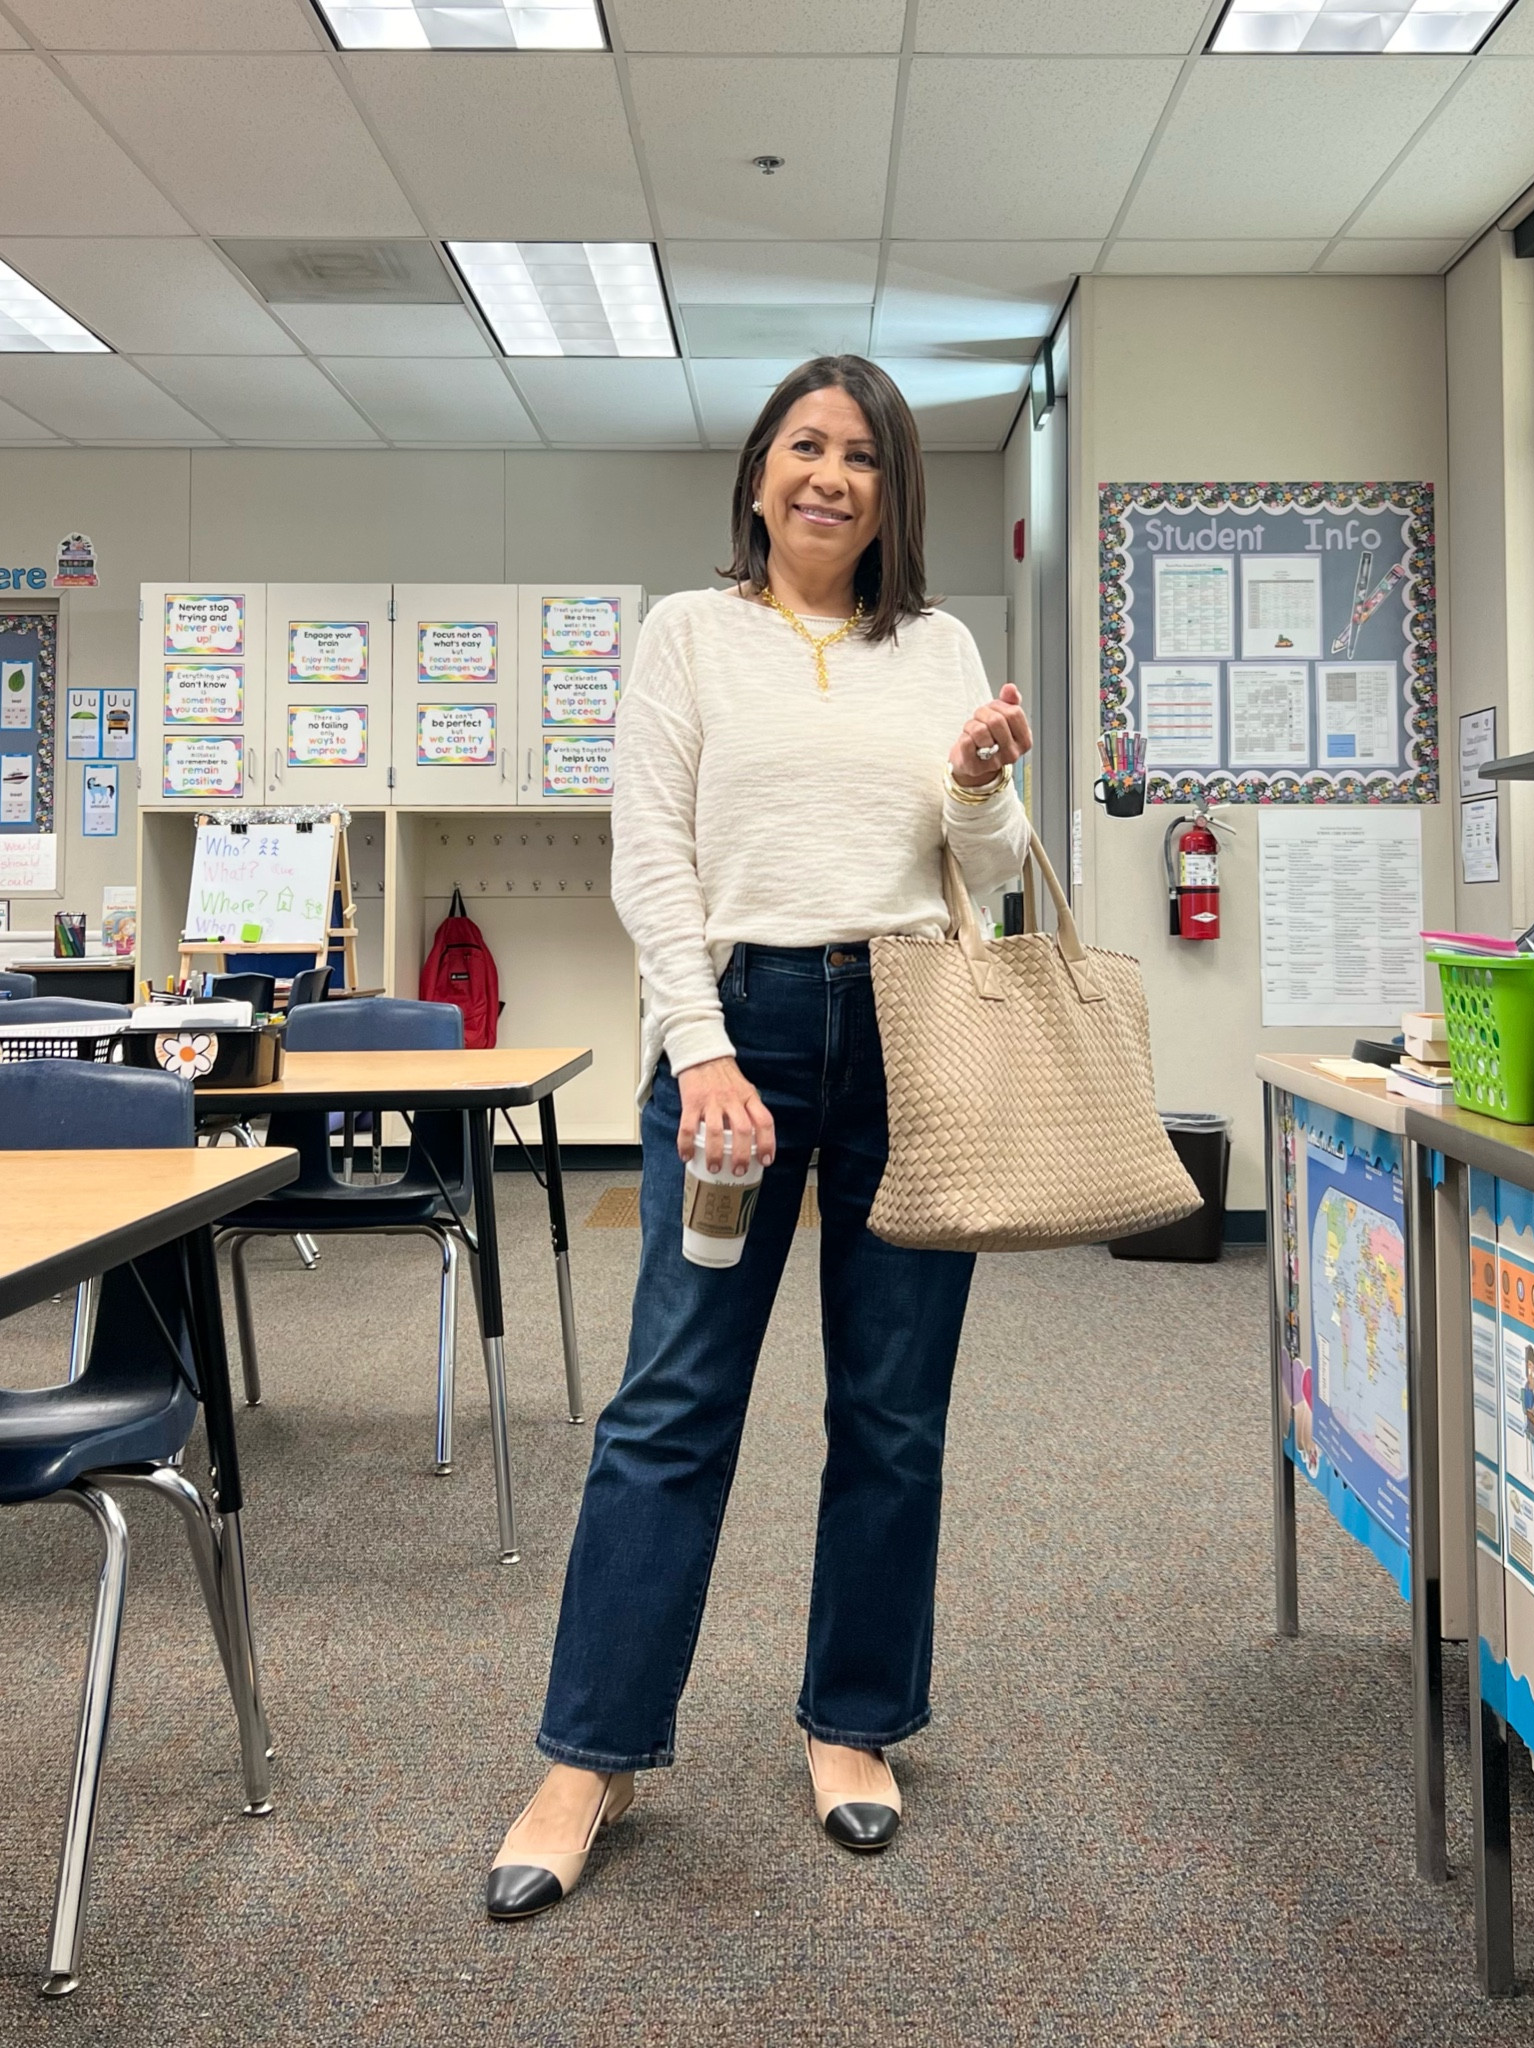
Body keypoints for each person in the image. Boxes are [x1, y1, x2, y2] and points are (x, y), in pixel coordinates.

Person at [488, 355, 1032, 1919]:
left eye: (863, 455)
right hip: (741, 1033)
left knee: (893, 1410)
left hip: (911, 1029)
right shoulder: (689, 633)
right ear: (758, 473)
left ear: (893, 492)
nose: (831, 475)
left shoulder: (940, 646)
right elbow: (650, 856)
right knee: (671, 1404)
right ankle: (590, 1754)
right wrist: (702, 1049)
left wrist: (977, 783)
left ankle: (854, 1720)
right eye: (806, 445)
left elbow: (990, 869)